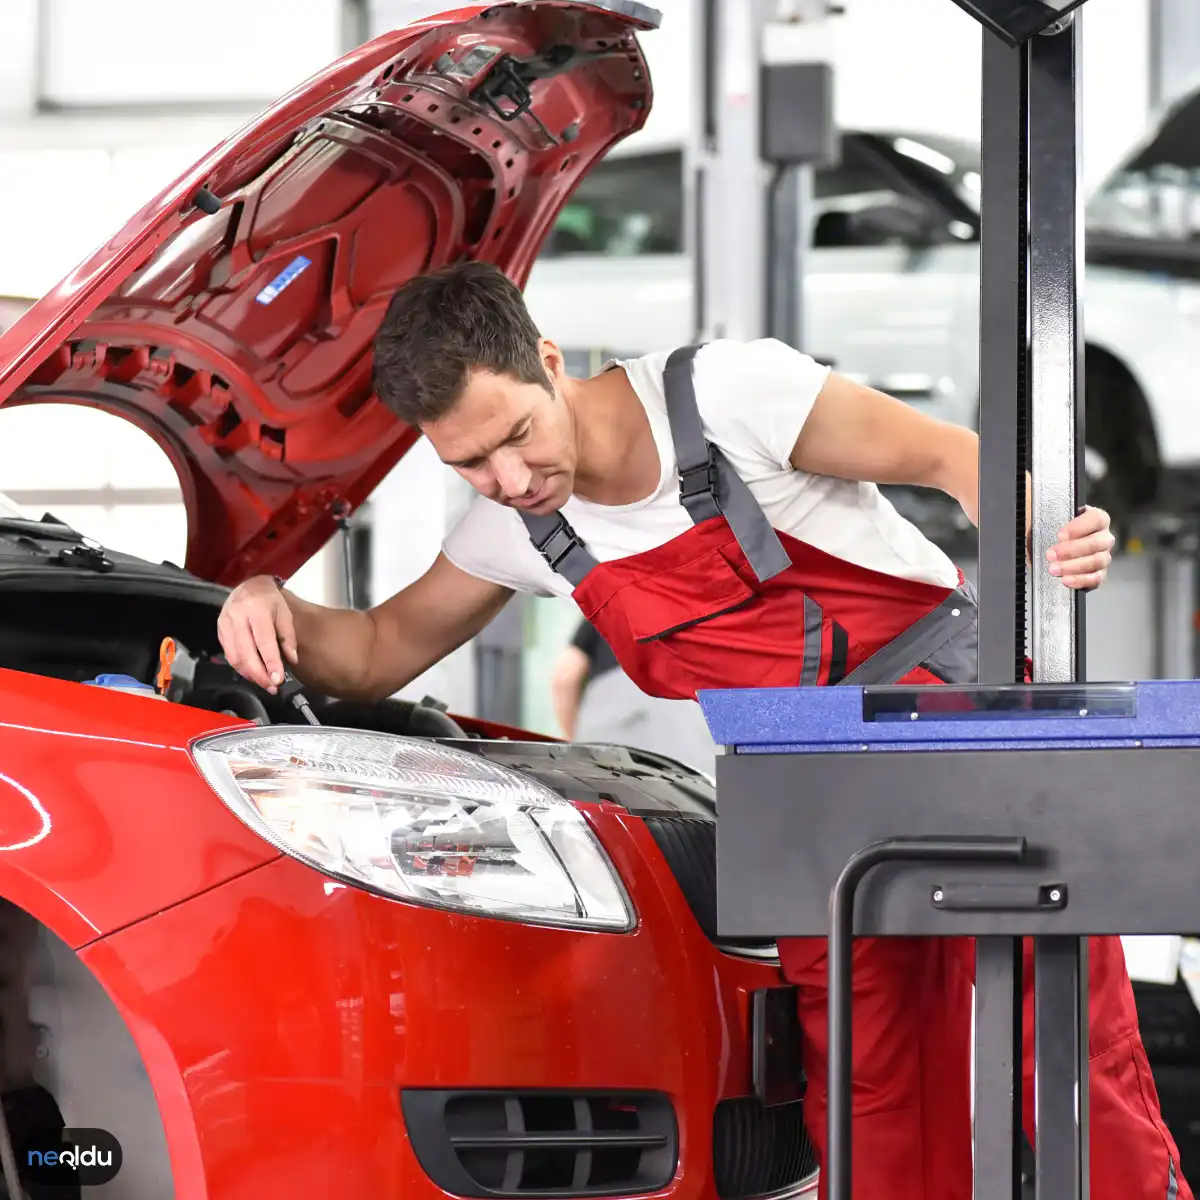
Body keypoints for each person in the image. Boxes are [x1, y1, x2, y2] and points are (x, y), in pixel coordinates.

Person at [216, 262, 1185, 1200]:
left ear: (549, 360)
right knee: (869, 1079)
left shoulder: (728, 393)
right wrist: (270, 602)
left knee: (1055, 1036)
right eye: (469, 462)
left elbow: (952, 459)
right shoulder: (513, 527)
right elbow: (379, 650)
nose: (508, 478)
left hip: (952, 716)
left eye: (515, 434)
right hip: (801, 787)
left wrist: (1043, 532)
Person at [551, 619, 717, 774]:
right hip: (686, 723)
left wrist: (575, 737)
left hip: (609, 721)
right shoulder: (705, 604)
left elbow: (565, 677)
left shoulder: (608, 603)